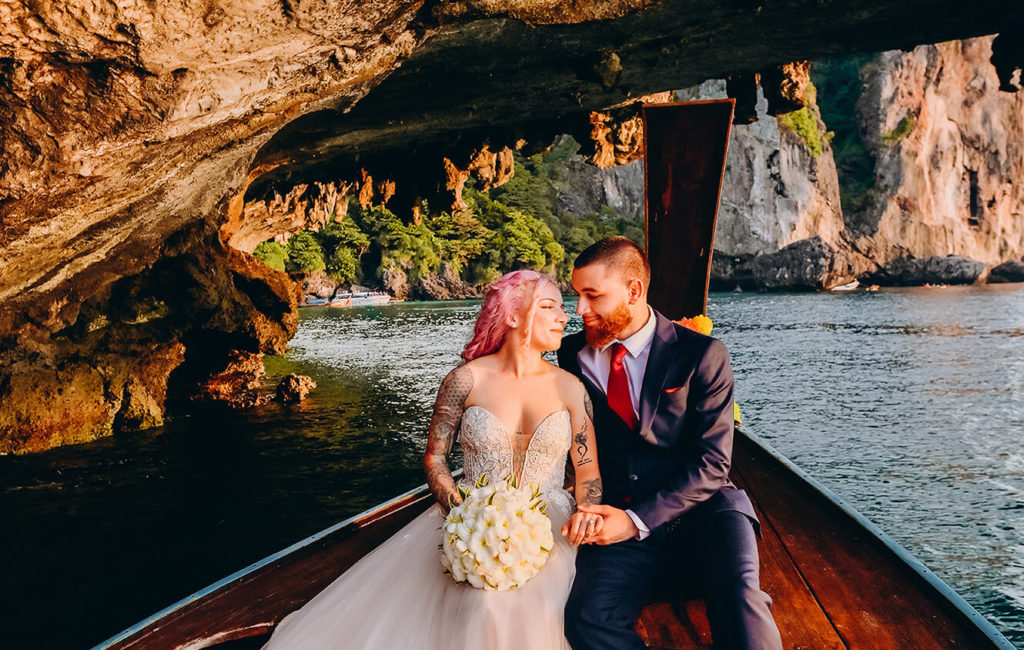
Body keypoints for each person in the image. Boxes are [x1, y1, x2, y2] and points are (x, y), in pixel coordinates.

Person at [262, 269, 602, 650]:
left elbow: (587, 471)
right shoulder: (464, 380)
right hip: (472, 520)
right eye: (549, 306)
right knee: (482, 602)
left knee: (532, 605)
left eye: (561, 308)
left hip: (553, 523)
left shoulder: (571, 387)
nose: (564, 316)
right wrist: (463, 513)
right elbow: (436, 459)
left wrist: (588, 512)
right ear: (512, 315)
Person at [558, 237, 783, 650]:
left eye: (592, 296)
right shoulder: (573, 353)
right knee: (587, 619)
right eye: (577, 296)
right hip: (618, 514)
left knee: (740, 601)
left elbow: (714, 464)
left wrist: (637, 519)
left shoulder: (703, 354)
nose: (580, 311)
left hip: (706, 512)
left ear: (634, 291)